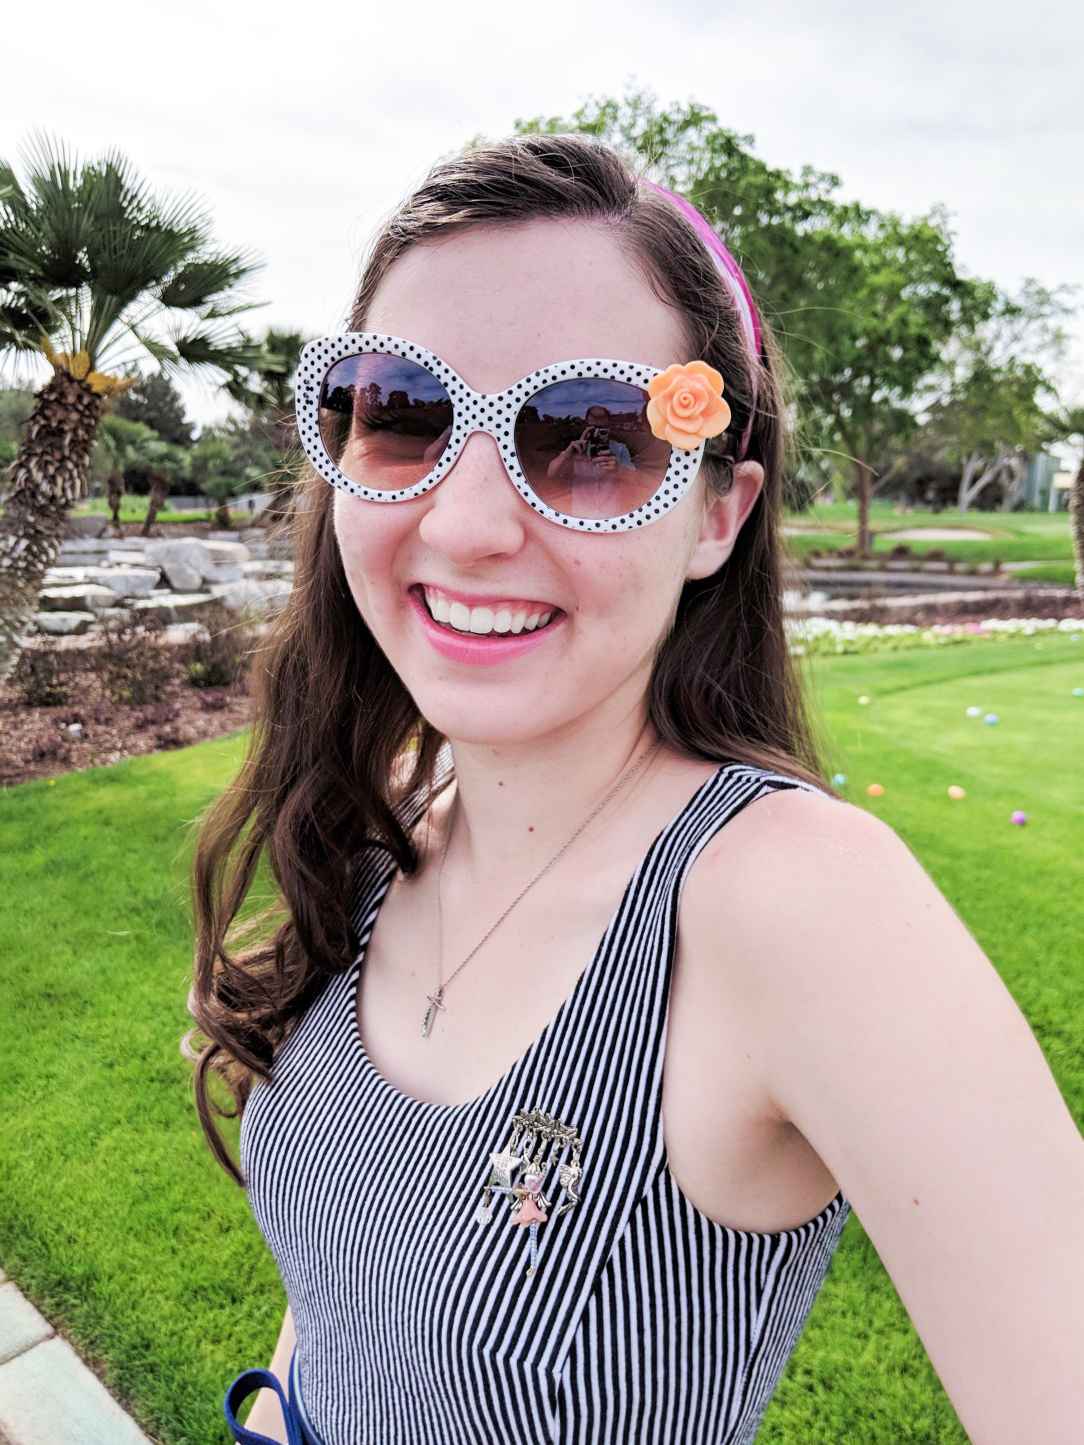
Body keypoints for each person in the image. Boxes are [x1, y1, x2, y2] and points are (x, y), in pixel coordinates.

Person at [188, 134, 1084, 1445]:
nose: (468, 522)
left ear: (719, 512)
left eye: (593, 437)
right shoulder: (392, 811)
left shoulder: (796, 906)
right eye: (403, 410)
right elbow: (338, 1303)